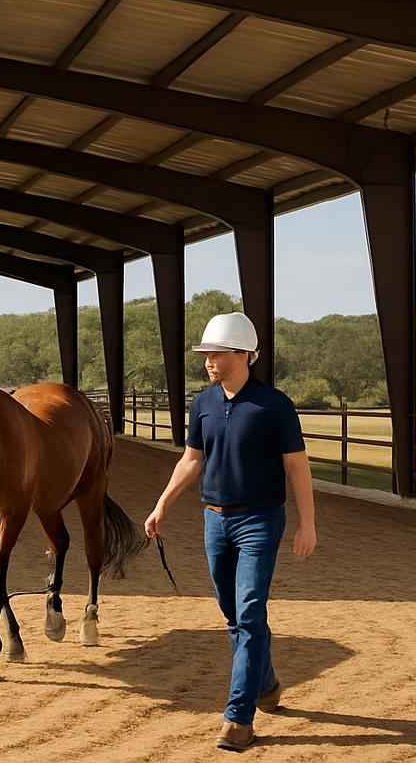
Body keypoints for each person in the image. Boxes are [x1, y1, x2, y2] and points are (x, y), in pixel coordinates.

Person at [143, 311, 317, 752]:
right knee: (234, 614)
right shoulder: (202, 404)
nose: (208, 361)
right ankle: (267, 683)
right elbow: (191, 460)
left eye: (216, 353)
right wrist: (162, 504)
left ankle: (239, 718)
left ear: (243, 355)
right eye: (206, 354)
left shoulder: (275, 406)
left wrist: (307, 523)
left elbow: (297, 466)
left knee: (250, 611)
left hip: (261, 521)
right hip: (214, 520)